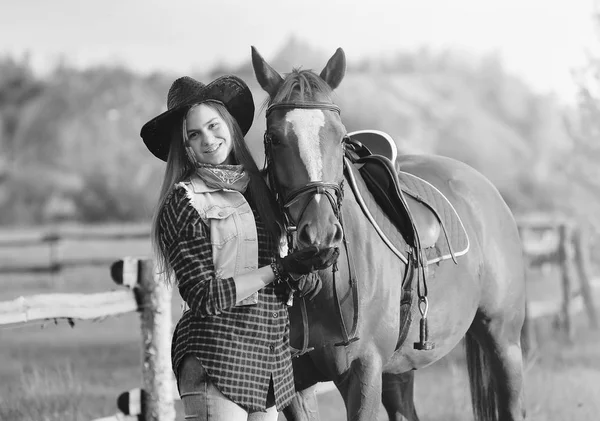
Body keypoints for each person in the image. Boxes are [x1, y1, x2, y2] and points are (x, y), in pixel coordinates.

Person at [140, 75, 338, 421]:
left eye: (213, 126)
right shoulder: (184, 201)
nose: (208, 139)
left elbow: (281, 286)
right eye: (194, 134)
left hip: (266, 363)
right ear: (184, 145)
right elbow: (205, 297)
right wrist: (280, 269)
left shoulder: (262, 192)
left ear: (230, 126)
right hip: (216, 358)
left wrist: (304, 270)